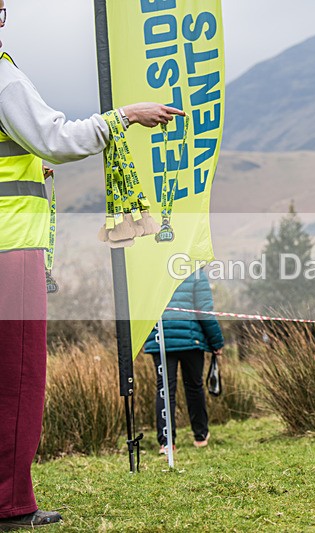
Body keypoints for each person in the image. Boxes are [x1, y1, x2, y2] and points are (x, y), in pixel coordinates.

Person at [0, 1, 184, 528]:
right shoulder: (4, 78)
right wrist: (123, 116)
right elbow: (56, 141)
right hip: (10, 247)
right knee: (16, 375)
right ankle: (9, 503)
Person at [144, 269, 224, 454]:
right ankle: (200, 437)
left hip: (161, 338)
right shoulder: (195, 272)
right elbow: (205, 311)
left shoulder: (152, 270)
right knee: (194, 387)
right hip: (191, 340)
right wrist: (216, 342)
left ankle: (166, 443)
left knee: (165, 388)